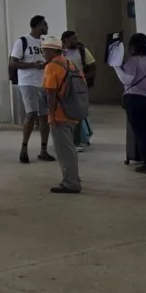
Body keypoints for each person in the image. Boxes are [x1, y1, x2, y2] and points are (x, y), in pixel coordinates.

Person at [112, 33, 146, 174]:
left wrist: (116, 67)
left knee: (141, 134)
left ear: (132, 46)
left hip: (135, 100)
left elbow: (127, 80)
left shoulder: (133, 61)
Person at [41, 35, 83, 195]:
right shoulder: (69, 64)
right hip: (72, 111)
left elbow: (50, 93)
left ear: (52, 51)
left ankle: (71, 183)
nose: (43, 54)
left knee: (65, 151)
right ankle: (74, 178)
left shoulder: (52, 66)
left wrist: (51, 115)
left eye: (44, 51)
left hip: (59, 114)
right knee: (69, 148)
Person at [10, 15, 54, 165]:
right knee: (32, 114)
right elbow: (13, 64)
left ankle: (43, 150)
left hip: (43, 82)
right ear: (37, 26)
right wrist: (33, 65)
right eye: (44, 24)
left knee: (44, 116)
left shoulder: (44, 42)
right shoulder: (22, 41)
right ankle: (24, 148)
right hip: (28, 82)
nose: (46, 27)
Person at [62, 31, 96, 149]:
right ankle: (69, 139)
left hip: (79, 87)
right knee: (65, 114)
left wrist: (81, 79)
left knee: (78, 113)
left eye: (76, 38)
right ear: (65, 40)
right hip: (64, 87)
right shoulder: (60, 53)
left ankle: (78, 140)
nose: (76, 41)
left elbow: (92, 68)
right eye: (73, 39)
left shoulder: (83, 51)